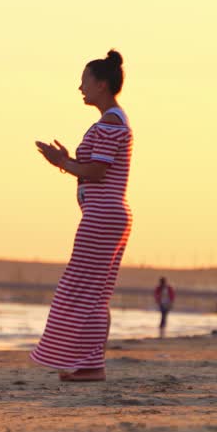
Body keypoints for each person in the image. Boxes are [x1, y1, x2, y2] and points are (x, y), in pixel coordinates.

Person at [32, 50, 133, 383]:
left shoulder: (111, 121)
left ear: (101, 84)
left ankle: (85, 364)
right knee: (93, 291)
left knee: (79, 290)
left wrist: (61, 162)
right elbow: (93, 168)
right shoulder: (113, 120)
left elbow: (97, 170)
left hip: (103, 216)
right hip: (106, 215)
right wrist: (66, 161)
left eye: (85, 81)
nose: (80, 88)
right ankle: (88, 364)